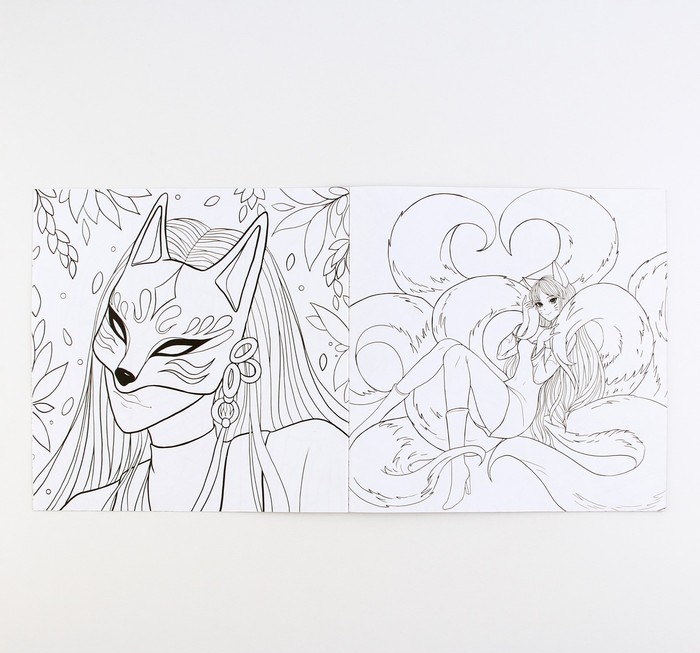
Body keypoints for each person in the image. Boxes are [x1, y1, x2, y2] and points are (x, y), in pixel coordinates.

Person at [33, 194, 347, 512]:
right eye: (118, 327)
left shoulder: (307, 459)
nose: (127, 369)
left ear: (239, 357)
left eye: (174, 347)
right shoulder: (92, 507)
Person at [350, 264, 604, 510]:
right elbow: (503, 352)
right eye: (539, 304)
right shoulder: (535, 330)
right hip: (505, 398)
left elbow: (538, 376)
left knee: (456, 353)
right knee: (448, 347)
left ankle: (456, 466)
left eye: (552, 300)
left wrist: (538, 344)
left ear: (565, 298)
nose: (546, 309)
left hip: (516, 412)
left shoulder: (563, 340)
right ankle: (380, 414)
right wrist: (527, 328)